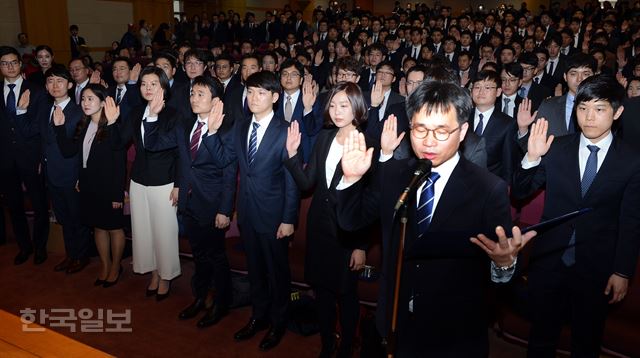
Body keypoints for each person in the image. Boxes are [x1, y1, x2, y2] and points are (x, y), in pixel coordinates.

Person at [336, 80, 535, 356]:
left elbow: (500, 272)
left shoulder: (488, 188)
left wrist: (504, 264)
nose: (429, 141)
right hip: (396, 321)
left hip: (454, 331)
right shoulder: (394, 174)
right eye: (420, 129)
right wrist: (351, 179)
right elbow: (350, 222)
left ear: (463, 131)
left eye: (441, 131)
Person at [513, 74, 640, 358]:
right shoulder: (556, 147)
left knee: (586, 341)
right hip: (549, 261)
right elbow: (520, 192)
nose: (589, 117)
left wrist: (622, 271)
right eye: (583, 108)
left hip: (597, 266)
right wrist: (531, 158)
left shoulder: (632, 160)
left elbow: (631, 220)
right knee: (541, 338)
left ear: (617, 112)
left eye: (599, 109)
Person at [207, 71, 299, 351]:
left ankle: (279, 322)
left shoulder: (285, 130)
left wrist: (288, 219)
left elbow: (292, 179)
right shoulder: (241, 125)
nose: (254, 97)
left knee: (277, 273)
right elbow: (227, 161)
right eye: (250, 91)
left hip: (274, 217)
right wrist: (211, 134)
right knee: (255, 271)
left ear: (274, 97)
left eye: (261, 93)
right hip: (247, 212)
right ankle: (258, 316)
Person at [284, 82, 373, 357]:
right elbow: (308, 183)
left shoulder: (366, 143)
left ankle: (346, 347)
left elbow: (369, 202)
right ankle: (327, 345)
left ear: (357, 107)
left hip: (347, 233)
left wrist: (361, 246)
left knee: (346, 295)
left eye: (344, 105)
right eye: (332, 105)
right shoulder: (324, 137)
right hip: (320, 227)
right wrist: (292, 154)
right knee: (322, 293)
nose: (336, 111)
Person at [144, 76, 235, 327]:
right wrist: (152, 117)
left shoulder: (228, 128)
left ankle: (221, 303)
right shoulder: (185, 126)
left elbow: (228, 171)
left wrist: (225, 210)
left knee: (216, 256)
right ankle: (200, 297)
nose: (194, 98)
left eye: (201, 94)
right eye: (192, 93)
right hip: (188, 202)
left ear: (215, 100)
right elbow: (153, 145)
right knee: (199, 254)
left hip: (213, 204)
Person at [113, 66, 181, 300]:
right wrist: (112, 123)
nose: (148, 88)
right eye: (143, 84)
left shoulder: (174, 114)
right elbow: (119, 144)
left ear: (164, 86)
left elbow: (180, 154)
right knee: (144, 232)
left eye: (154, 83)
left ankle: (166, 276)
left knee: (165, 233)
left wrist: (179, 185)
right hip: (139, 181)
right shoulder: (134, 113)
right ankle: (154, 272)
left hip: (165, 182)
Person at [19, 65, 91, 274]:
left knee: (77, 219)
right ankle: (71, 255)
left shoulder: (79, 112)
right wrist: (22, 110)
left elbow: (80, 149)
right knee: (64, 218)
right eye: (50, 81)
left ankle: (82, 256)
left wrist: (81, 176)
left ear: (70, 85)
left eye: (60, 81)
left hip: (72, 175)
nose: (55, 85)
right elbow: (30, 133)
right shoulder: (44, 110)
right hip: (51, 175)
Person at [53, 84, 126, 286]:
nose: (85, 103)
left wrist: (116, 196)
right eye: (83, 99)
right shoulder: (84, 125)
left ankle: (115, 266)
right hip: (88, 186)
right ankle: (105, 264)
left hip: (109, 187)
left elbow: (119, 164)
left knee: (114, 228)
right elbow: (70, 153)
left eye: (91, 99)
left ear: (103, 102)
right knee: (98, 228)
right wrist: (59, 128)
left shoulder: (112, 127)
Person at [0, 46, 49, 265]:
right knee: (14, 206)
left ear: (20, 64)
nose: (9, 67)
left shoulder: (36, 90)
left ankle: (40, 247)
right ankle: (24, 246)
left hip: (30, 158)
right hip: (5, 160)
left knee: (39, 205)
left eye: (13, 62)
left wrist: (39, 158)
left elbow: (39, 129)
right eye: (4, 63)